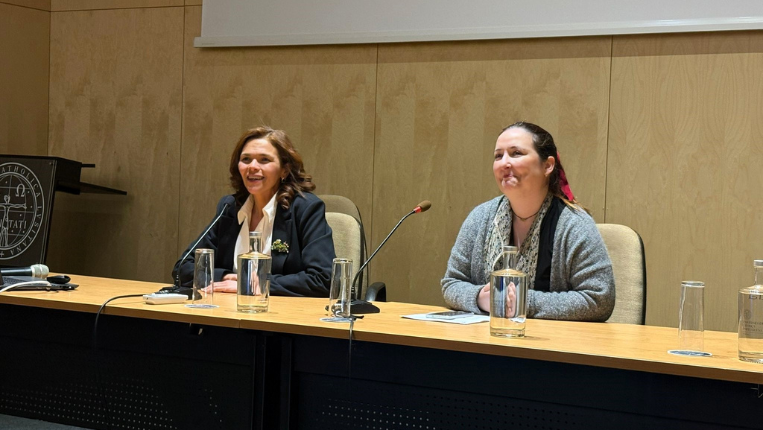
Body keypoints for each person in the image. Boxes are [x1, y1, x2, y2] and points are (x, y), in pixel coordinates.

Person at [441, 121, 615, 321]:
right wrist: (481, 298)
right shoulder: (480, 217)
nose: (504, 163)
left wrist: (524, 302)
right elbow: (451, 283)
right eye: (498, 156)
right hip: (487, 336)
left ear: (548, 166)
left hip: (550, 340)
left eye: (516, 153)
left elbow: (599, 299)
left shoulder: (575, 224)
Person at [172, 126, 335, 297]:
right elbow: (183, 268)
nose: (253, 166)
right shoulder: (230, 208)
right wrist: (226, 277)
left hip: (282, 310)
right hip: (226, 308)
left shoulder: (305, 208)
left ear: (284, 170)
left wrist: (257, 283)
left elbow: (323, 278)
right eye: (246, 159)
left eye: (264, 160)